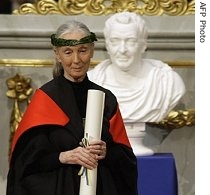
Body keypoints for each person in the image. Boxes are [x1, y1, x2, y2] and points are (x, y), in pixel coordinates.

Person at [6, 20, 138, 195]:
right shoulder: (45, 99)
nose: (76, 60)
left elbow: (126, 161)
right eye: (68, 52)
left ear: (92, 51)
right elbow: (25, 163)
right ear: (57, 55)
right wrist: (63, 157)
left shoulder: (107, 100)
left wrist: (108, 152)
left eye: (82, 51)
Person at [88, 12, 186, 155]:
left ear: (143, 44)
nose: (122, 50)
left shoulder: (167, 82)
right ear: (107, 45)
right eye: (115, 41)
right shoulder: (92, 82)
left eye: (131, 41)